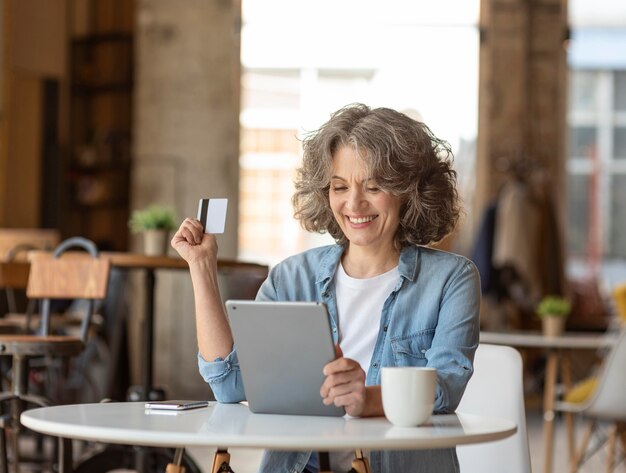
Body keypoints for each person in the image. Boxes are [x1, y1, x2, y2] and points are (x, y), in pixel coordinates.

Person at [171, 103, 481, 473]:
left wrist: (364, 398)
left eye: (374, 186)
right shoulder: (291, 278)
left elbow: (446, 387)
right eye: (339, 187)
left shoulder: (452, 279)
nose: (354, 204)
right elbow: (231, 383)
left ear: (408, 191)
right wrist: (202, 267)